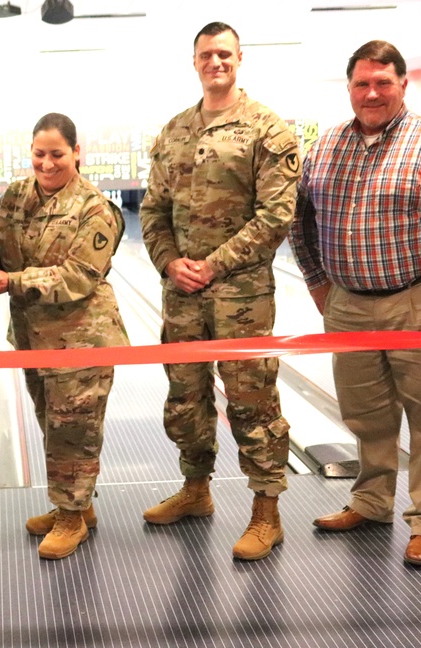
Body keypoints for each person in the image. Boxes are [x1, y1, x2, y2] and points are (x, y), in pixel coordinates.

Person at [289, 40, 421, 567]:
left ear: (403, 84)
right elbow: (299, 219)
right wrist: (316, 282)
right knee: (366, 414)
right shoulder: (327, 146)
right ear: (350, 88)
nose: (371, 92)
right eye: (362, 83)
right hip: (348, 302)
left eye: (383, 82)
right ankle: (372, 501)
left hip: (418, 301)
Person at [139, 22, 300, 561]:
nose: (216, 62)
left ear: (239, 58)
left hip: (241, 294)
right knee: (185, 397)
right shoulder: (174, 131)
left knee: (252, 399)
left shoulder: (266, 130)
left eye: (225, 53)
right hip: (182, 293)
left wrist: (212, 264)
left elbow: (276, 215)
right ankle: (195, 490)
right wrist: (168, 262)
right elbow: (153, 210)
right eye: (207, 54)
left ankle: (266, 513)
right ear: (194, 61)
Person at [0, 112, 129, 559]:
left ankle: (70, 517)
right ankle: (77, 506)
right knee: (52, 422)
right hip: (32, 339)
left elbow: (77, 277)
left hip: (82, 339)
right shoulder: (16, 196)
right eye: (39, 154)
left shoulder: (94, 208)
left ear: (77, 153)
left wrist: (6, 283)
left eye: (57, 154)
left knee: (75, 429)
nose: (47, 164)